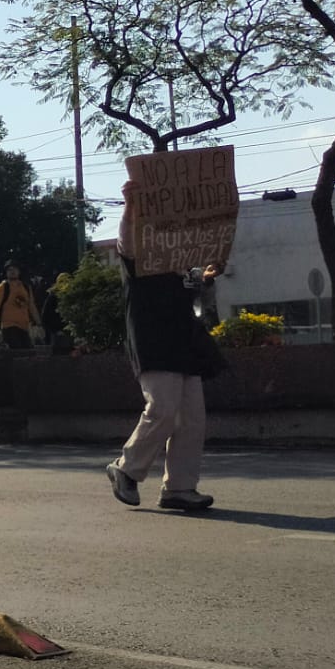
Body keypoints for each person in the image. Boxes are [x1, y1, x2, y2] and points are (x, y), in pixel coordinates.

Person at [105, 181, 224, 513]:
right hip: (153, 342)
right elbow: (126, 240)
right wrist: (130, 205)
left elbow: (199, 292)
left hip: (185, 344)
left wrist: (209, 277)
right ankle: (125, 469)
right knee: (164, 408)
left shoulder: (182, 268)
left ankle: (179, 487)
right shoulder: (137, 259)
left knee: (192, 418)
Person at [0, 260, 42, 350]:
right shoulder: (2, 288)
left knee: (28, 352)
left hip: (24, 327)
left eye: (15, 269)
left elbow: (32, 306)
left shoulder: (26, 287)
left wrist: (39, 324)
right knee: (16, 352)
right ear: (6, 273)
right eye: (9, 270)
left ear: (19, 271)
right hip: (9, 326)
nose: (12, 272)